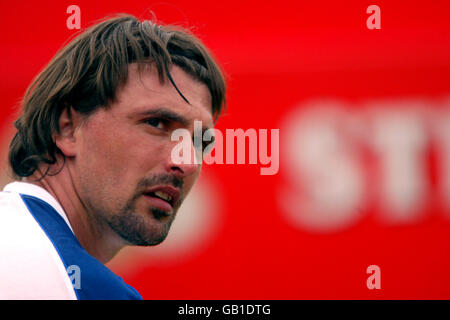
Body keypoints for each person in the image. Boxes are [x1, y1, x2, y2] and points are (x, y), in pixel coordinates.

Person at [0, 14, 226, 299]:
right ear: (67, 129)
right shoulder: (82, 288)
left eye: (198, 142)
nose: (186, 162)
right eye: (156, 123)